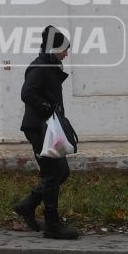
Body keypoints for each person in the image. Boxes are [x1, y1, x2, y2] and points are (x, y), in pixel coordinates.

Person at [14, 25, 79, 239]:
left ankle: (28, 204)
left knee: (61, 172)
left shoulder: (50, 66)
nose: (67, 53)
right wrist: (47, 108)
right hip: (39, 128)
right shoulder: (40, 66)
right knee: (53, 174)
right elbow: (27, 93)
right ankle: (52, 225)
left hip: (48, 128)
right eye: (64, 49)